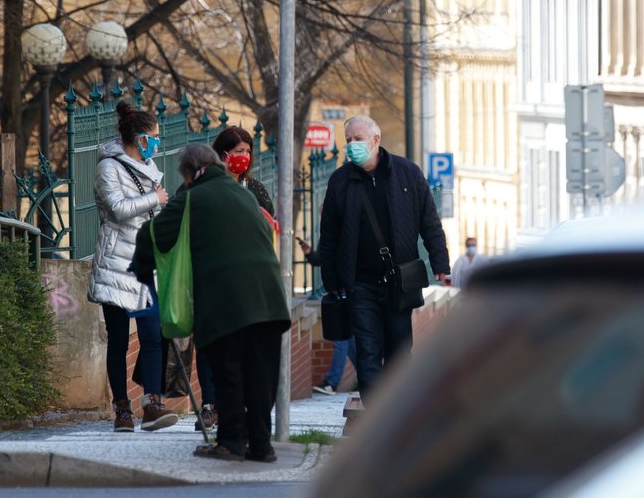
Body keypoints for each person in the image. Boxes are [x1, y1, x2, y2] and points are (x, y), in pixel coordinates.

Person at [135, 144, 290, 463]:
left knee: (228, 372)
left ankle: (231, 442)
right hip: (270, 301)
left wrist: (140, 267)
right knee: (260, 376)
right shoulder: (245, 195)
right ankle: (261, 445)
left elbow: (152, 234)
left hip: (226, 302)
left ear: (190, 173)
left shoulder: (192, 198)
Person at [318, 115, 450, 403]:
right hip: (359, 282)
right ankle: (374, 412)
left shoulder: (407, 174)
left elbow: (429, 221)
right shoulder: (340, 181)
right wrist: (332, 281)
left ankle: (396, 407)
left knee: (399, 348)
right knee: (367, 348)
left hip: (399, 280)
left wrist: (440, 263)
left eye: (358, 139)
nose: (352, 145)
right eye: (348, 140)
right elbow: (328, 236)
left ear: (375, 140)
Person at [178, 126, 277, 434]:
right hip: (207, 275)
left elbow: (270, 229)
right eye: (237, 153)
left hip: (246, 279)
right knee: (210, 342)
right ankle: (210, 405)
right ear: (222, 155)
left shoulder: (255, 190)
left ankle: (233, 407)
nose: (243, 158)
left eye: (247, 152)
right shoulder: (196, 186)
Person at [88, 100, 178, 433]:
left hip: (145, 263)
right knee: (118, 340)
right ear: (139, 138)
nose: (157, 141)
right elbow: (116, 208)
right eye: (153, 136)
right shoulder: (108, 167)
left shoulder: (151, 167)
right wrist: (156, 199)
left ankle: (153, 402)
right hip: (117, 264)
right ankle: (121, 409)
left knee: (154, 334)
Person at [298, 238, 357, 396]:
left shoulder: (347, 227)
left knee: (341, 338)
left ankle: (332, 382)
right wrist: (310, 253)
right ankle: (370, 378)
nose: (322, 212)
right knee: (348, 339)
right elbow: (321, 260)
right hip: (336, 291)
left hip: (347, 289)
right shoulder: (327, 232)